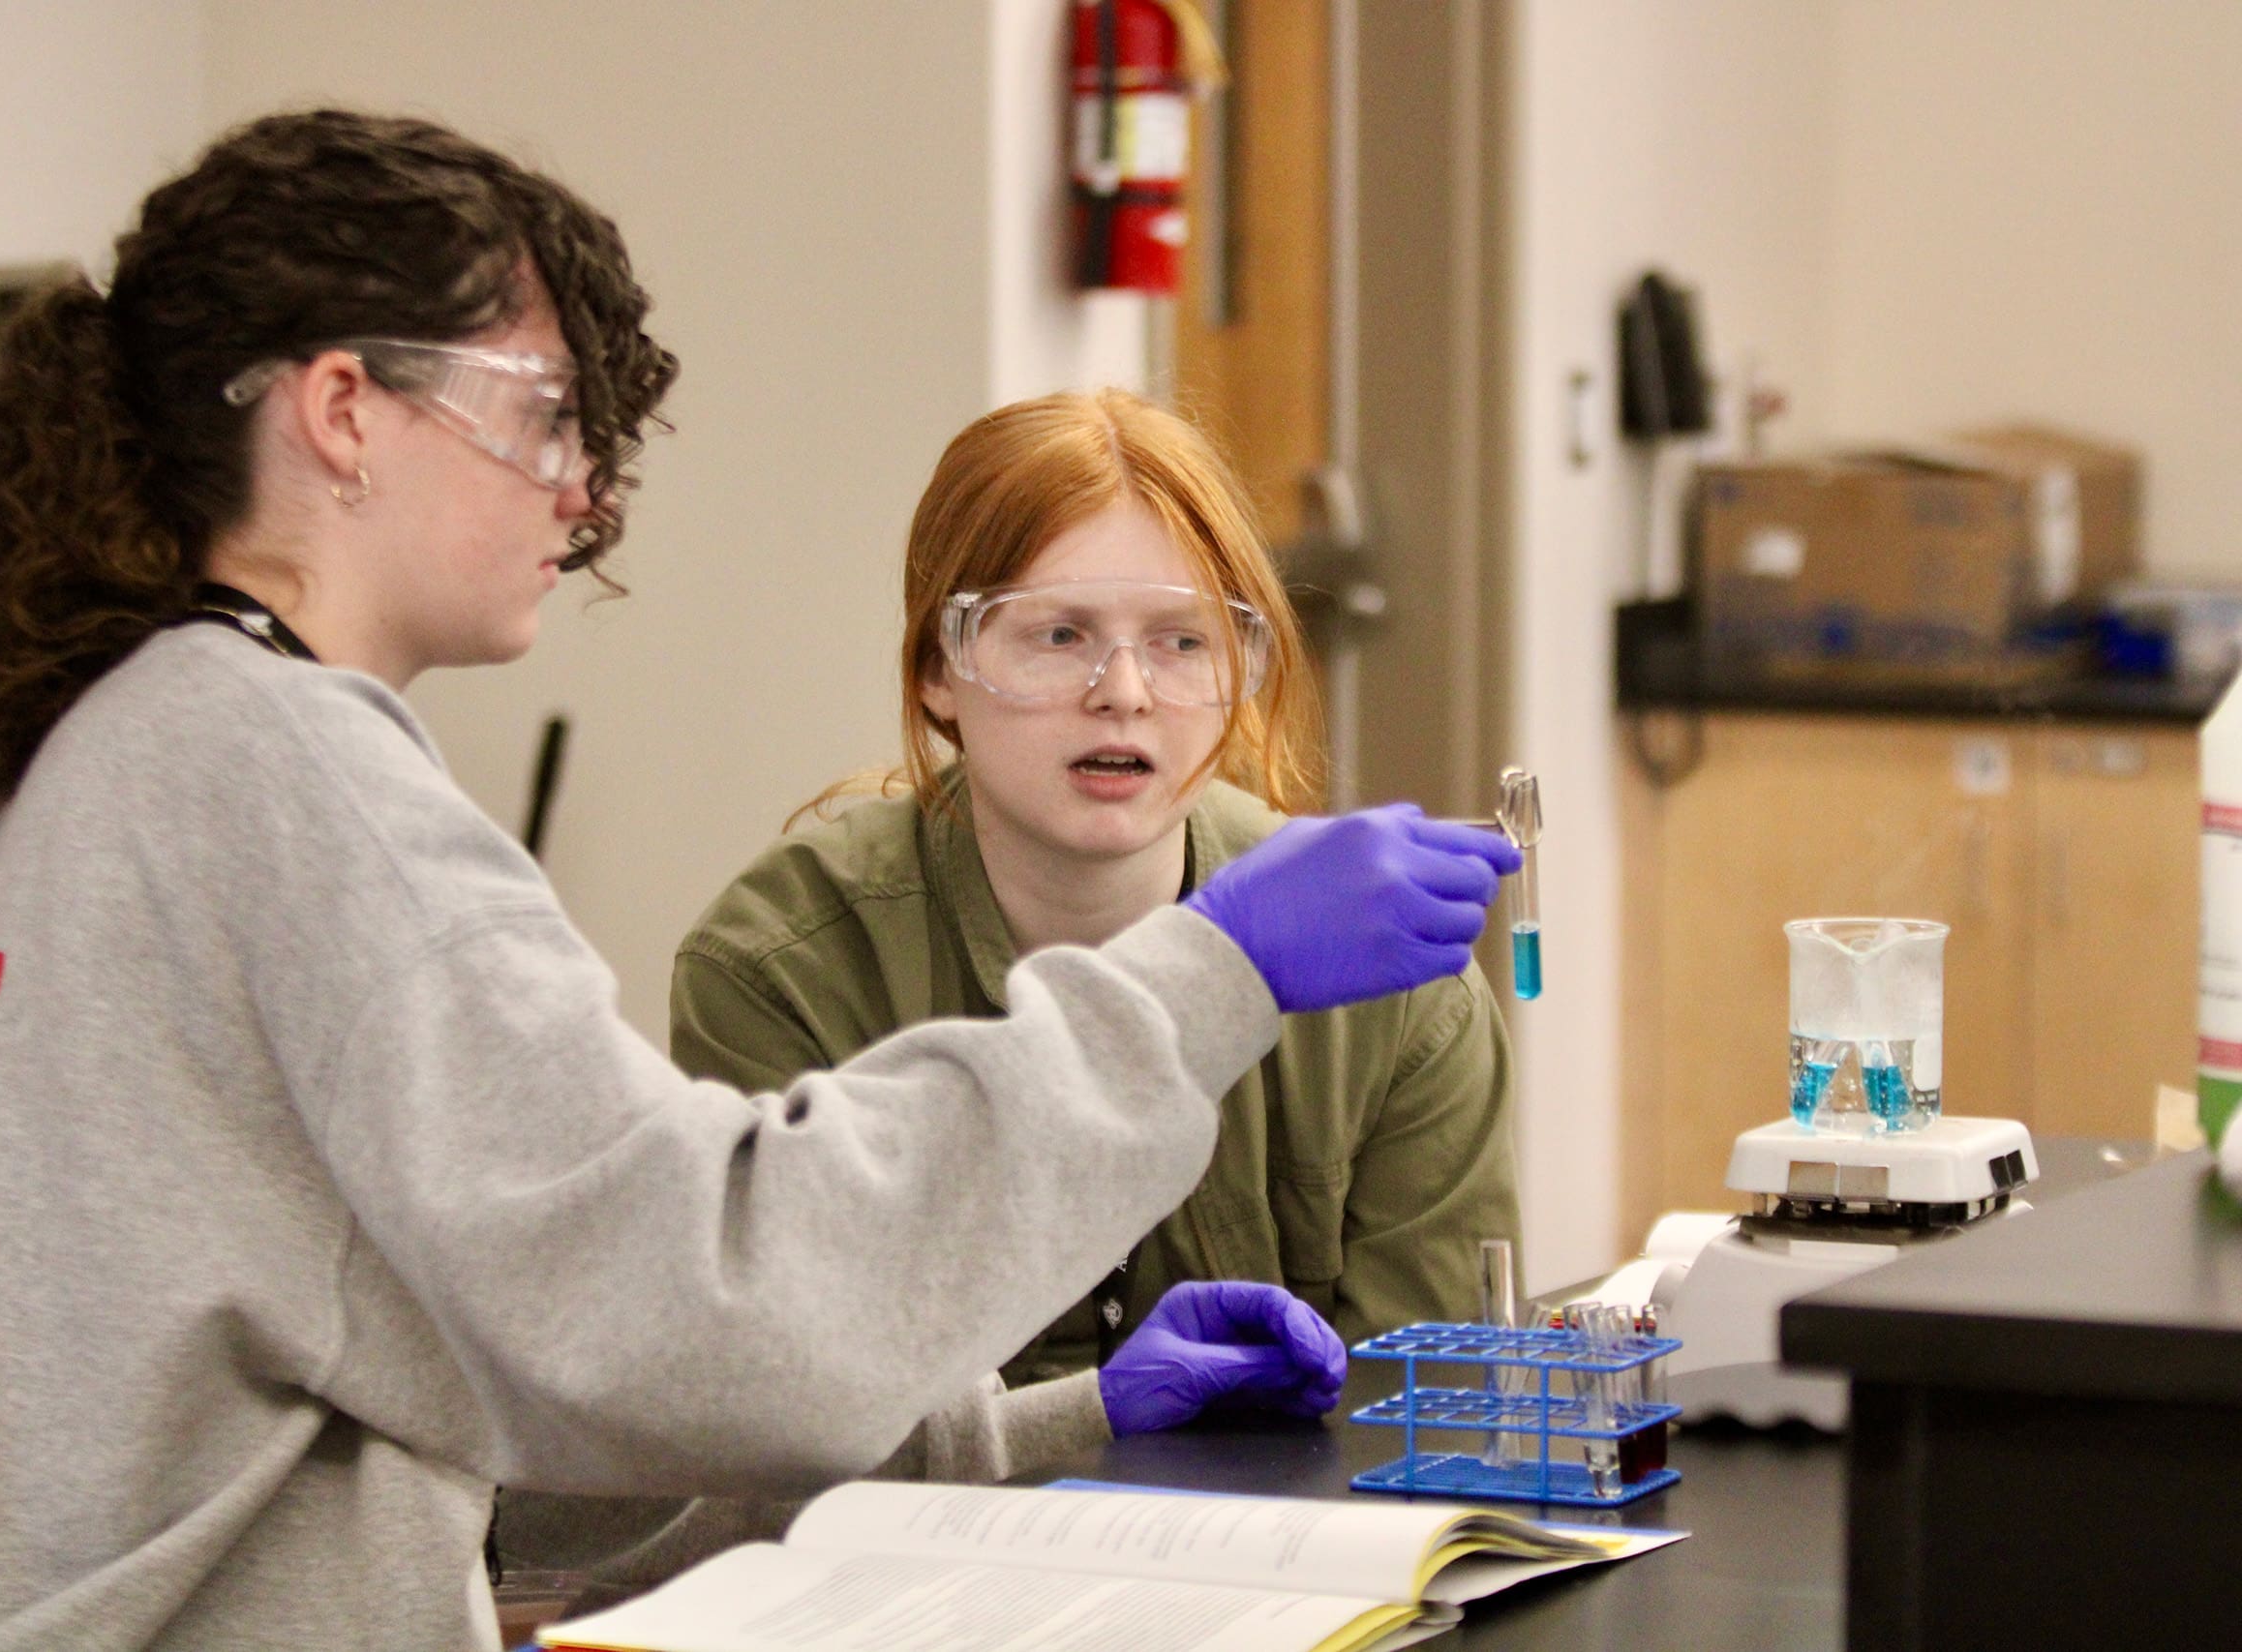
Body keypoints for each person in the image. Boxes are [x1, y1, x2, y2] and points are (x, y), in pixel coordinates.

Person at [0, 112, 1519, 1651]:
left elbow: (540, 1407)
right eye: (538, 417)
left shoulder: (153, 745)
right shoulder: (288, 776)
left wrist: (1052, 1428)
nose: (584, 487)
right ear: (344, 413)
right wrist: (1211, 971)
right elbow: (721, 1314)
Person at [500, 390, 1524, 1597]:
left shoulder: (1388, 979)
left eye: (1184, 640)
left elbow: (1433, 1424)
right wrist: (1086, 1414)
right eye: (1057, 635)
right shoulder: (782, 966)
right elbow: (762, 1440)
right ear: (940, 669)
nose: (1125, 692)